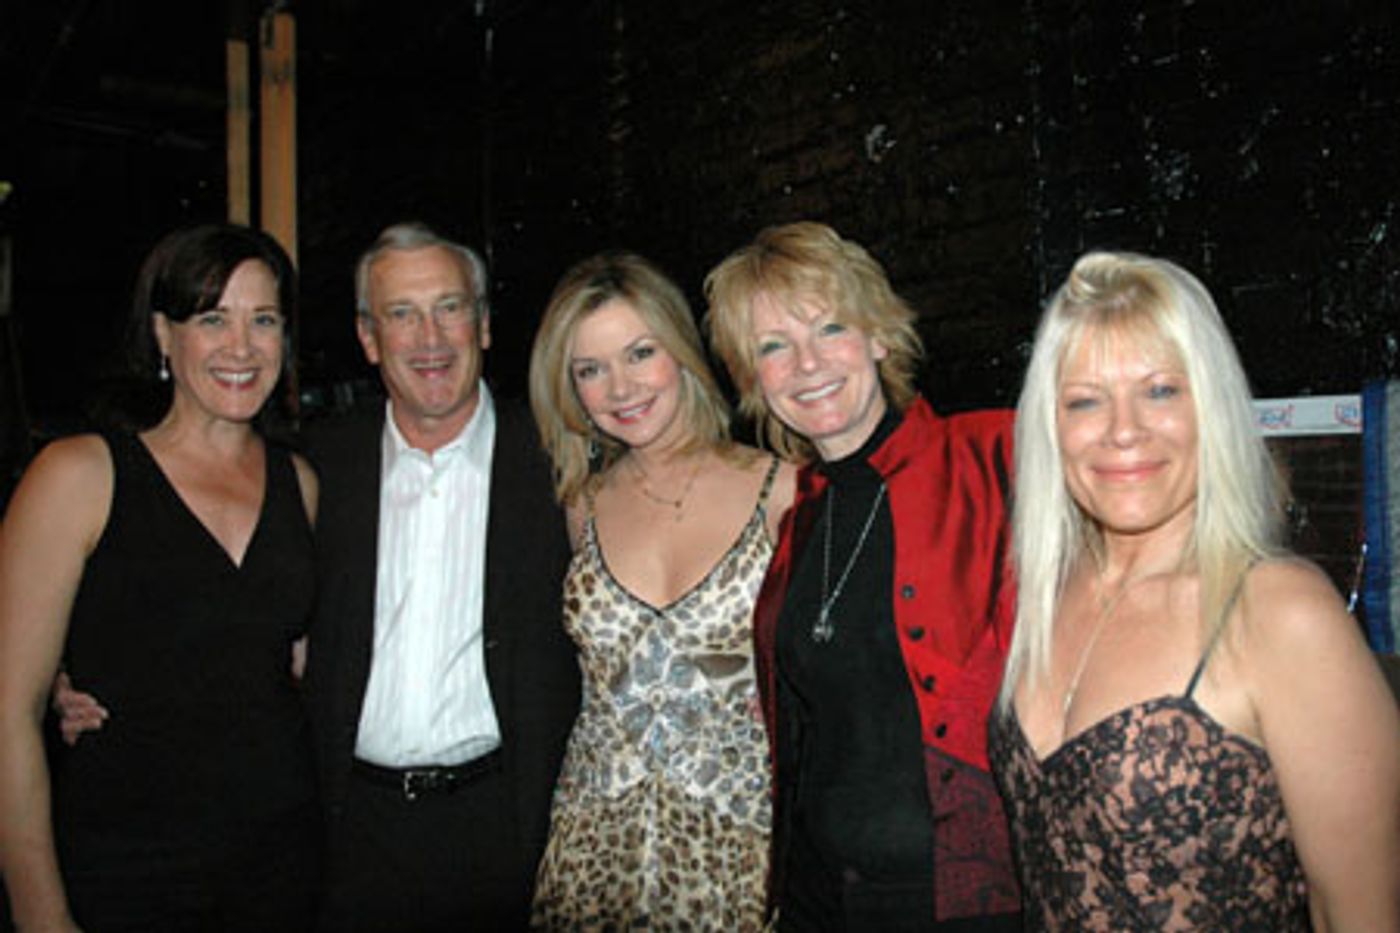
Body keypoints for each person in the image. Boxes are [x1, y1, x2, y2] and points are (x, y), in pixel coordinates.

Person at [987, 251, 1400, 930]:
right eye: (1085, 399)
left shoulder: (1281, 612)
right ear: (1050, 425)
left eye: (1160, 391)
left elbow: (1361, 913)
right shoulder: (1052, 591)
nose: (1124, 429)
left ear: (1211, 406)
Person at [0, 224, 321, 930]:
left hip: (284, 865)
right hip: (126, 871)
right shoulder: (79, 476)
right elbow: (7, 714)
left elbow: (289, 661)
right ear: (162, 334)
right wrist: (40, 915)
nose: (241, 347)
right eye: (213, 319)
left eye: (263, 320)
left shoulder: (299, 484)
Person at [704, 221, 1021, 931]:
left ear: (878, 336)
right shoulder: (800, 520)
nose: (807, 363)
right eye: (773, 346)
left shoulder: (996, 456)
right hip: (822, 894)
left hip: (965, 900)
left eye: (830, 328)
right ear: (753, 377)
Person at [300, 222, 579, 931]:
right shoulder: (317, 467)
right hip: (350, 835)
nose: (430, 337)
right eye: (402, 314)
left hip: (504, 829)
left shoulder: (560, 461)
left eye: (449, 308)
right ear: (369, 338)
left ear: (482, 324)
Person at [526, 251, 795, 930]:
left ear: (680, 351)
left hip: (740, 847)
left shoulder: (783, 488)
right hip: (593, 851)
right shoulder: (580, 505)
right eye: (590, 369)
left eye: (640, 353)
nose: (620, 387)